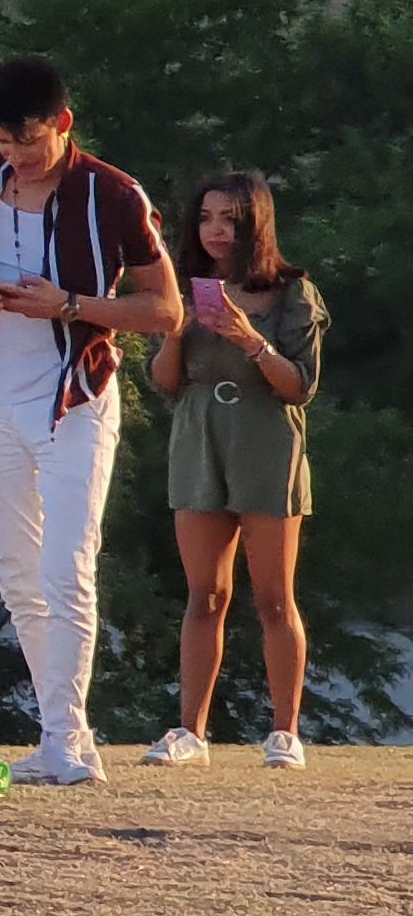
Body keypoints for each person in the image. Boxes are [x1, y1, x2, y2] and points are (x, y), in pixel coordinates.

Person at [0, 52, 181, 784]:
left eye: (27, 144)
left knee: (68, 567)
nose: (15, 159)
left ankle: (68, 744)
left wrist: (69, 305)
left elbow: (166, 311)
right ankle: (61, 732)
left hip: (75, 399)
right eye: (3, 143)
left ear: (63, 125)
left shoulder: (114, 194)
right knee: (14, 568)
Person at [141, 169, 325, 769]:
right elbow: (165, 384)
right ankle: (190, 731)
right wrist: (176, 331)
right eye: (206, 218)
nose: (217, 231)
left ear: (255, 224)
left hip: (266, 437)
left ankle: (285, 733)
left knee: (274, 598)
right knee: (205, 595)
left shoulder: (292, 293)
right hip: (197, 435)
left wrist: (250, 339)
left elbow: (299, 387)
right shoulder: (183, 289)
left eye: (231, 219)